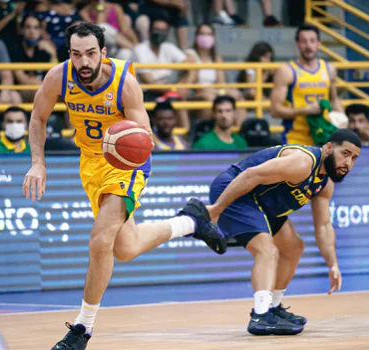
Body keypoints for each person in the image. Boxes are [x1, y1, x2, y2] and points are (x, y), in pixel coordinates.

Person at [22, 22, 225, 349]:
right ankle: (191, 221)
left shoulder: (125, 83)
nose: (83, 62)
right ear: (69, 55)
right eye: (76, 55)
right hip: (90, 163)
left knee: (100, 241)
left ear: (103, 53)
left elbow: (143, 138)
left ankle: (82, 329)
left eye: (90, 54)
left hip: (126, 163)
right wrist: (38, 163)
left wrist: (126, 142)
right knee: (125, 247)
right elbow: (37, 117)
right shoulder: (58, 77)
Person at [207, 129, 361, 335]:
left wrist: (333, 264)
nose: (348, 163)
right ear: (329, 148)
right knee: (267, 251)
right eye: (345, 153)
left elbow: (323, 226)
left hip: (261, 202)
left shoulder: (324, 184)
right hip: (236, 189)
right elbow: (250, 174)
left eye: (354, 158)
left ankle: (273, 307)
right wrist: (217, 209)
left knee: (293, 247)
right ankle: (261, 315)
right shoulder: (303, 162)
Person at [271, 25, 343, 146]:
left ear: (318, 43)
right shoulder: (286, 71)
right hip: (295, 138)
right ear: (297, 44)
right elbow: (274, 111)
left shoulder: (329, 69)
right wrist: (305, 110)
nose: (308, 46)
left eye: (312, 41)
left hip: (324, 136)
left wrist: (342, 121)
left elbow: (334, 100)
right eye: (304, 41)